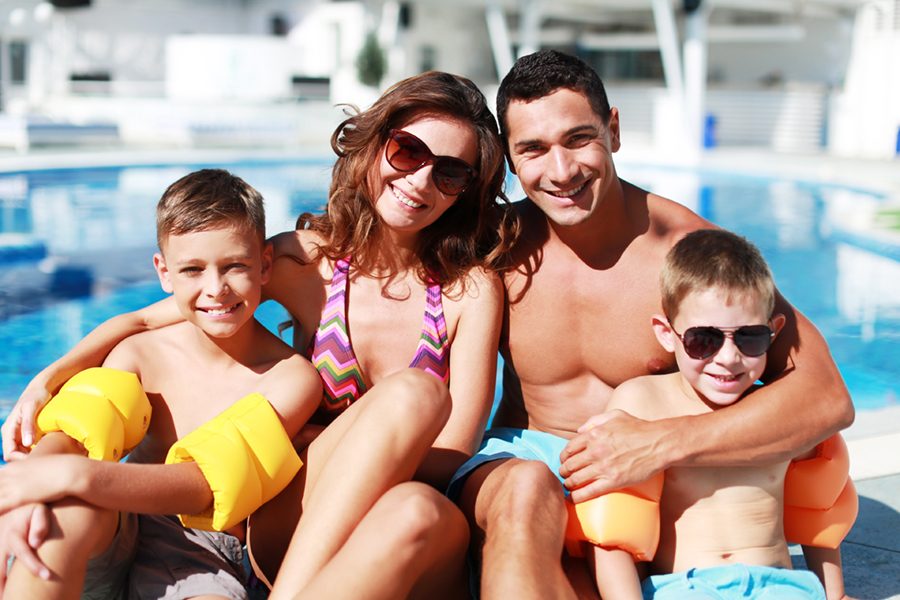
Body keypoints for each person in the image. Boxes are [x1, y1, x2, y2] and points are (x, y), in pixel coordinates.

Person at [2, 71, 515, 598]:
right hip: (294, 512)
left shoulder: (469, 291)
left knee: (418, 492)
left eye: (450, 172)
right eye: (408, 151)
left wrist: (347, 442)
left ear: (466, 189)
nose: (421, 181)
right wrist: (51, 376)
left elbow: (453, 452)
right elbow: (150, 316)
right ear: (375, 145)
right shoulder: (304, 259)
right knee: (414, 392)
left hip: (396, 496)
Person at [449, 50, 854, 598]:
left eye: (578, 138)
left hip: (641, 488)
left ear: (613, 130)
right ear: (511, 160)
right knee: (525, 493)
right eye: (534, 150)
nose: (562, 171)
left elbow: (827, 396)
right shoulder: (494, 245)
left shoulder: (686, 256)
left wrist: (660, 444)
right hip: (526, 456)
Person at [0, 168, 322, 598]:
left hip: (203, 544)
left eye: (234, 266)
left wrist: (74, 476)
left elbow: (208, 483)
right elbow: (77, 431)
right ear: (164, 272)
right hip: (115, 520)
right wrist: (32, 489)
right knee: (54, 522)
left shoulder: (290, 379)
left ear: (265, 265)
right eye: (192, 269)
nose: (216, 289)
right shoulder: (140, 353)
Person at [588, 228, 850, 600]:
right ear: (666, 333)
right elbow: (611, 525)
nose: (728, 358)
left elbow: (820, 503)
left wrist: (834, 594)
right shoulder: (641, 404)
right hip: (684, 587)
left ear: (774, 332)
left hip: (780, 585)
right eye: (704, 340)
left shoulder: (780, 409)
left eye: (749, 337)